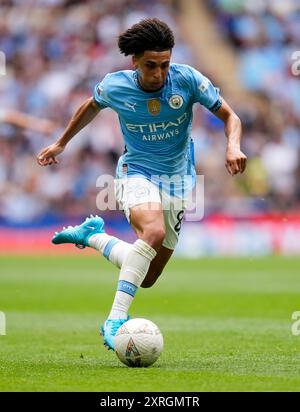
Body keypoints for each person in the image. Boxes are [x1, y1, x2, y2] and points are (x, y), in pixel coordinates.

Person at [37, 18, 247, 351]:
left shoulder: (188, 80)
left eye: (165, 65)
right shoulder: (116, 86)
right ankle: (115, 318)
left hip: (179, 183)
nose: (159, 74)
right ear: (134, 61)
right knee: (153, 233)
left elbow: (230, 116)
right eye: (150, 65)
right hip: (136, 172)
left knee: (146, 276)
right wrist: (62, 143)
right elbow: (89, 107)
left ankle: (93, 236)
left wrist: (232, 145)